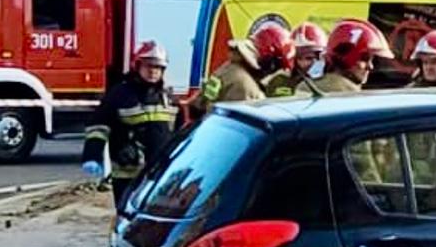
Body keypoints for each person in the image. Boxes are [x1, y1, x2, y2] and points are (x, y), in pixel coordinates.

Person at [83, 41, 176, 210]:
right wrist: (92, 155)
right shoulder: (120, 94)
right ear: (137, 65)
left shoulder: (167, 97)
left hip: (159, 174)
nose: (153, 71)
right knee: (127, 219)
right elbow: (98, 126)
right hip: (128, 173)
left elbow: (180, 132)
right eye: (149, 66)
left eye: (158, 67)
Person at [193, 18, 291, 115]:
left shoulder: (230, 68)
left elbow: (201, 103)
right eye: (277, 66)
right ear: (269, 61)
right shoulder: (247, 89)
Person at [311, 19, 396, 94]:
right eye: (365, 59)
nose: (370, 67)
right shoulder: (349, 95)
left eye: (371, 60)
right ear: (345, 57)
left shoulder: (308, 85)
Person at [263, 22, 328, 97]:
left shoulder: (334, 82)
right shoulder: (280, 82)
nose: (303, 63)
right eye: (299, 58)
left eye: (309, 58)